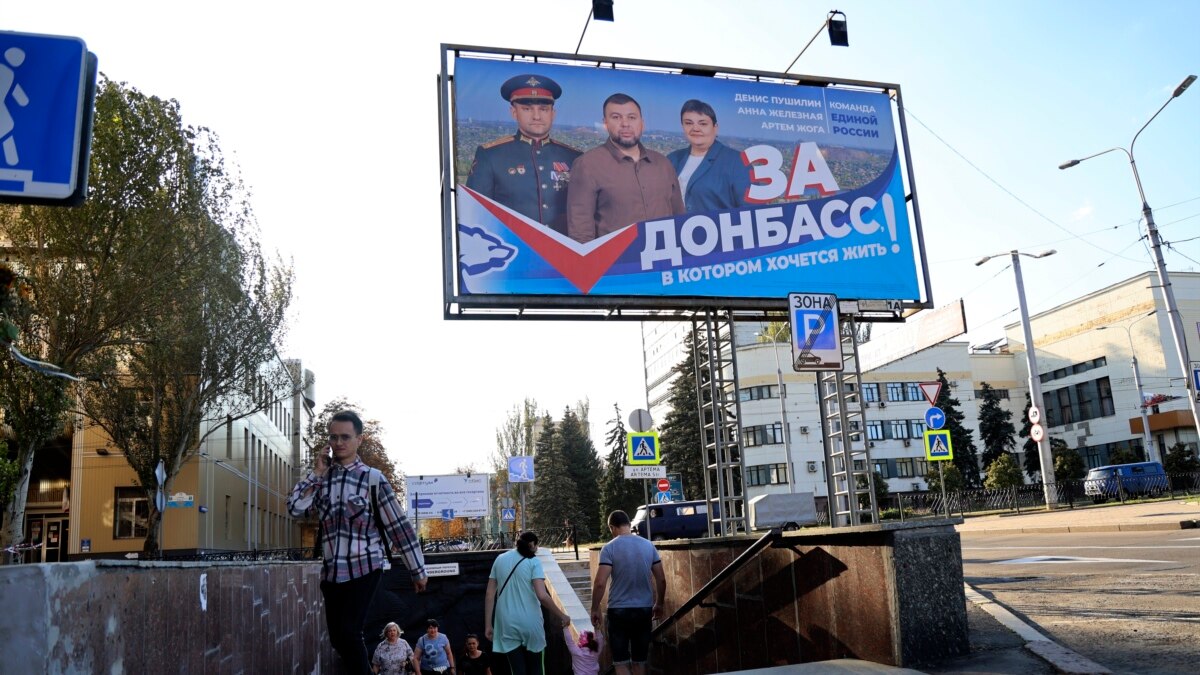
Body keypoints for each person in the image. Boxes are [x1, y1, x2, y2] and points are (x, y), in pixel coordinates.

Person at [287, 410, 427, 675]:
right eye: (333, 437)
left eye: (345, 437)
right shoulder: (322, 480)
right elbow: (294, 508)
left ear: (359, 439)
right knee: (339, 638)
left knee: (350, 633)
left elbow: (399, 526)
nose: (339, 442)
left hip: (364, 568)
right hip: (332, 572)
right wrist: (316, 473)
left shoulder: (373, 479)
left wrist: (417, 570)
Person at [465, 73, 581, 234]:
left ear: (553, 114)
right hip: (513, 251)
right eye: (527, 109)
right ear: (514, 112)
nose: (537, 116)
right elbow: (474, 213)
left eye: (544, 109)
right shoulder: (491, 155)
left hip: (563, 253)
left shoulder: (574, 157)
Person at [566, 93, 685, 244]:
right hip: (616, 264)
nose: (625, 124)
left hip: (664, 261)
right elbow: (580, 233)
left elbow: (679, 219)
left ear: (642, 123)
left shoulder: (663, 164)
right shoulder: (587, 165)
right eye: (616, 117)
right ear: (605, 123)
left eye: (632, 117)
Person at [590, 510, 667, 675]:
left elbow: (600, 583)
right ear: (629, 525)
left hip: (618, 611)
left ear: (612, 527)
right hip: (644, 609)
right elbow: (661, 579)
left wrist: (594, 608)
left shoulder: (609, 548)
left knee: (620, 663)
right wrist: (659, 603)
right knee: (640, 662)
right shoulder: (648, 545)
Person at [485, 531, 572, 675]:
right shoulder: (534, 561)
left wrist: (488, 624)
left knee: (517, 670)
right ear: (533, 545)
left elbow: (489, 594)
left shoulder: (499, 559)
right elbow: (542, 596)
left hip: (506, 621)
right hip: (530, 621)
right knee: (537, 667)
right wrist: (562, 615)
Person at [666, 99, 751, 212]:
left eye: (703, 123)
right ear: (682, 127)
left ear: (715, 127)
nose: (695, 128)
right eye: (688, 123)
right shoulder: (672, 159)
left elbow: (751, 212)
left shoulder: (737, 162)